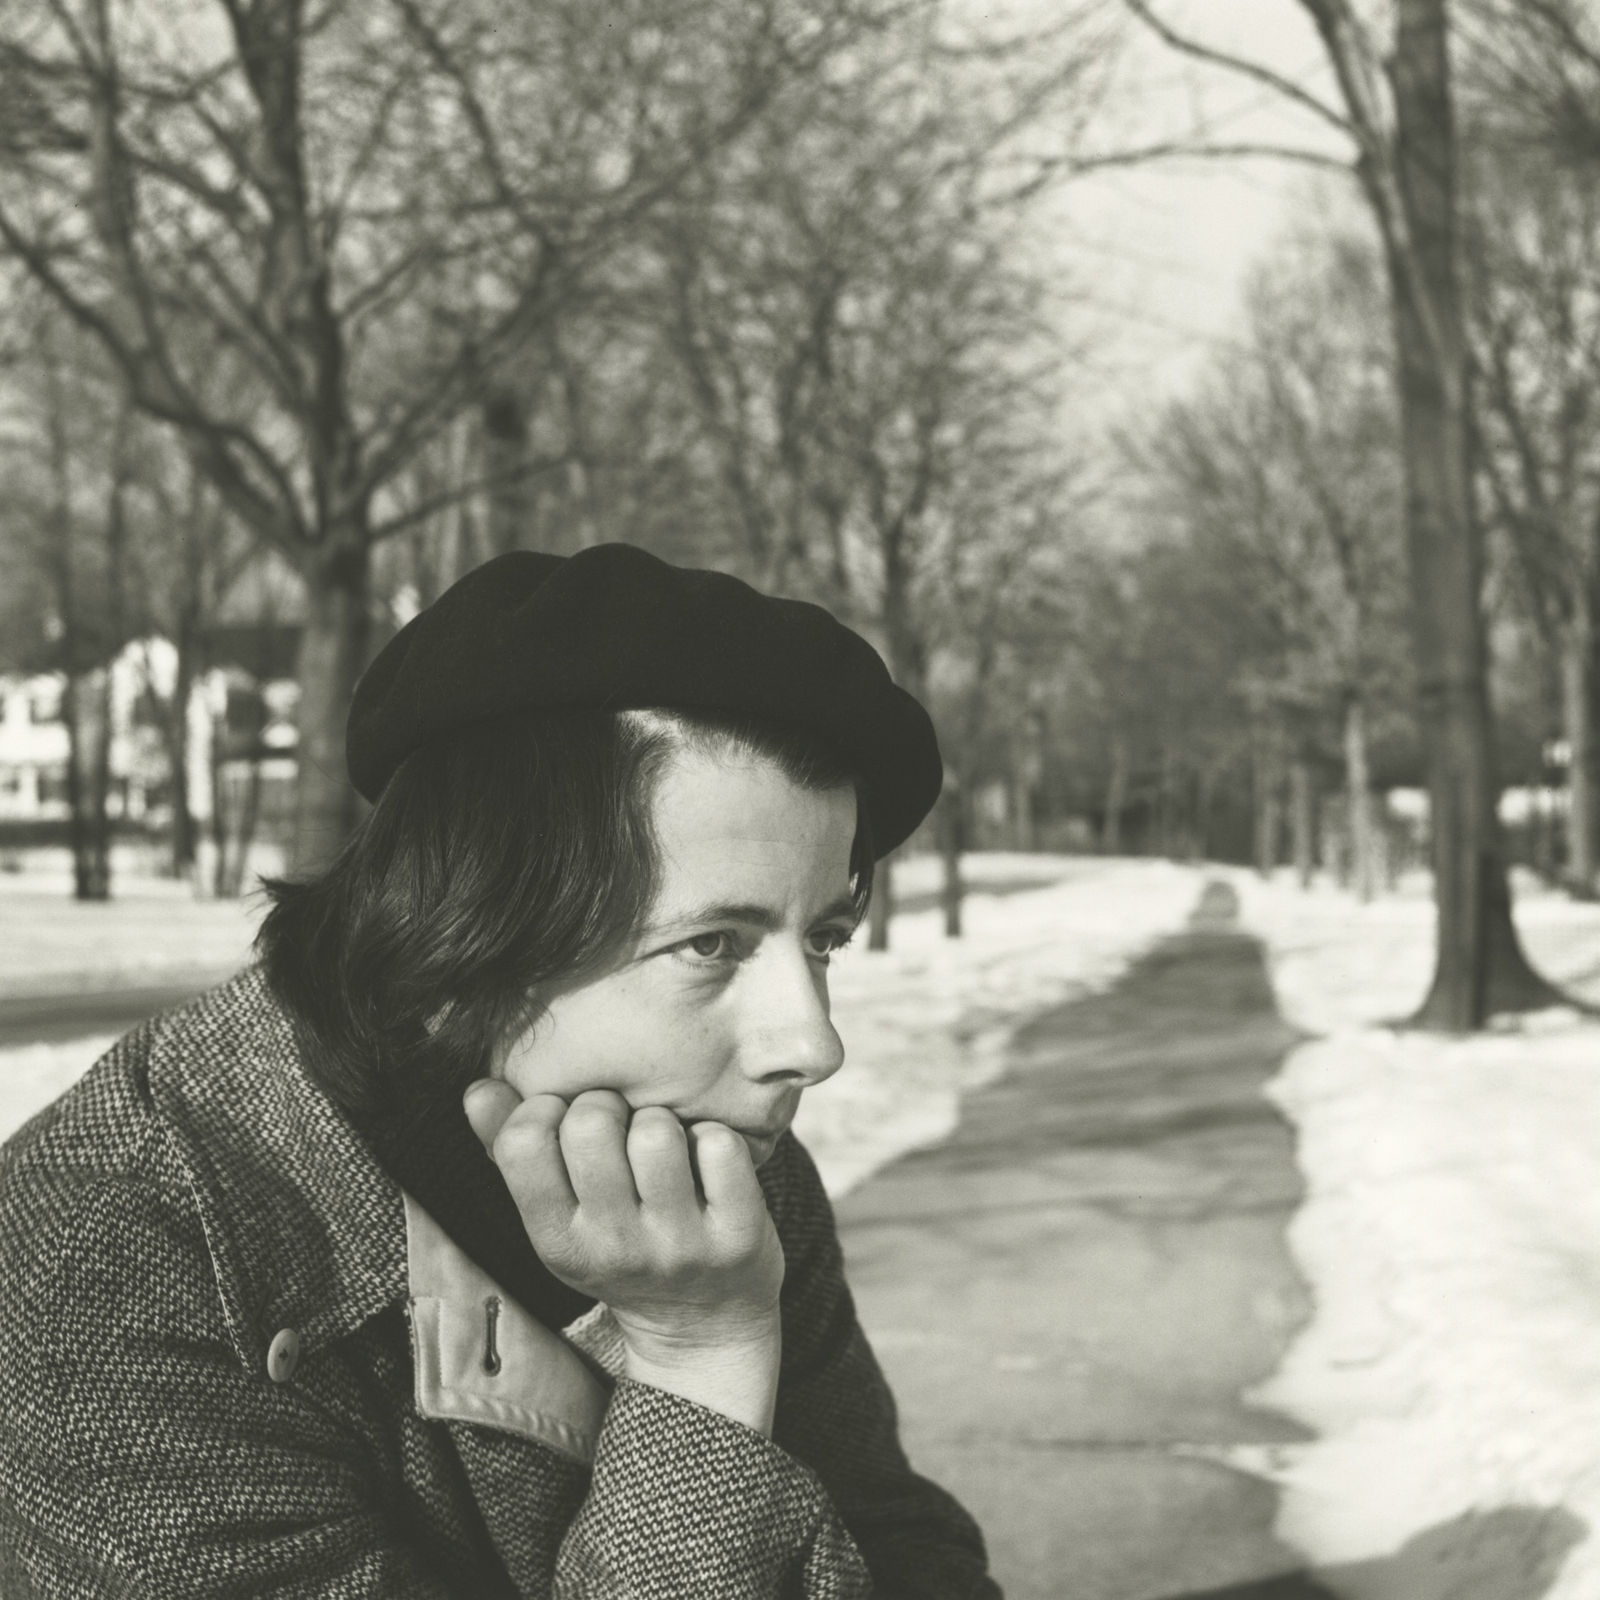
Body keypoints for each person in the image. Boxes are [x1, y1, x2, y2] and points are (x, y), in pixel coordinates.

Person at [0, 544, 1002, 1597]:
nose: (812, 1044)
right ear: (462, 932)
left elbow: (898, 1538)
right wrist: (698, 1361)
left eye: (824, 939)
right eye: (712, 945)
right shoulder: (116, 1260)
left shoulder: (702, 1149)